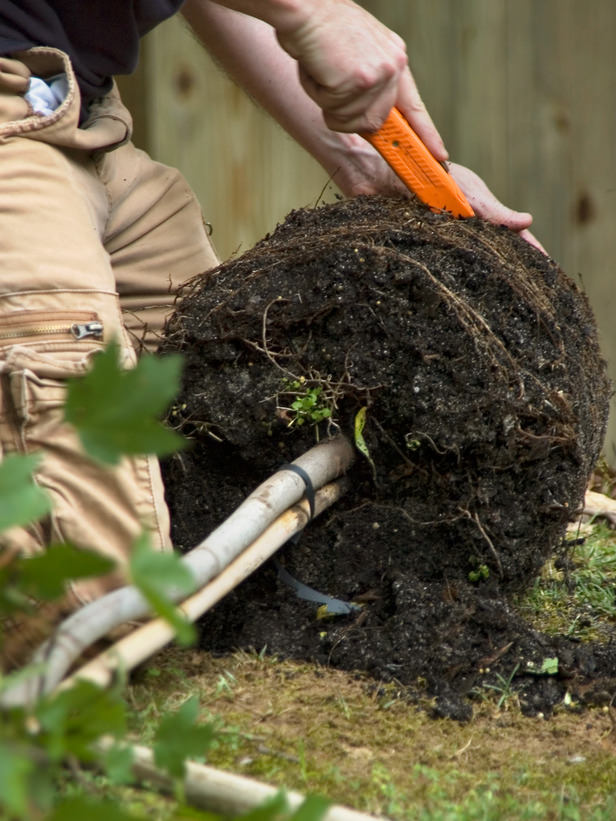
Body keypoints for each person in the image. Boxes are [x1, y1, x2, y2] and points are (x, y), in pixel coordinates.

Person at [0, 0, 539, 630]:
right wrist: (310, 11)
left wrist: (366, 156)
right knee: (91, 605)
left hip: (84, 113)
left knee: (227, 445)